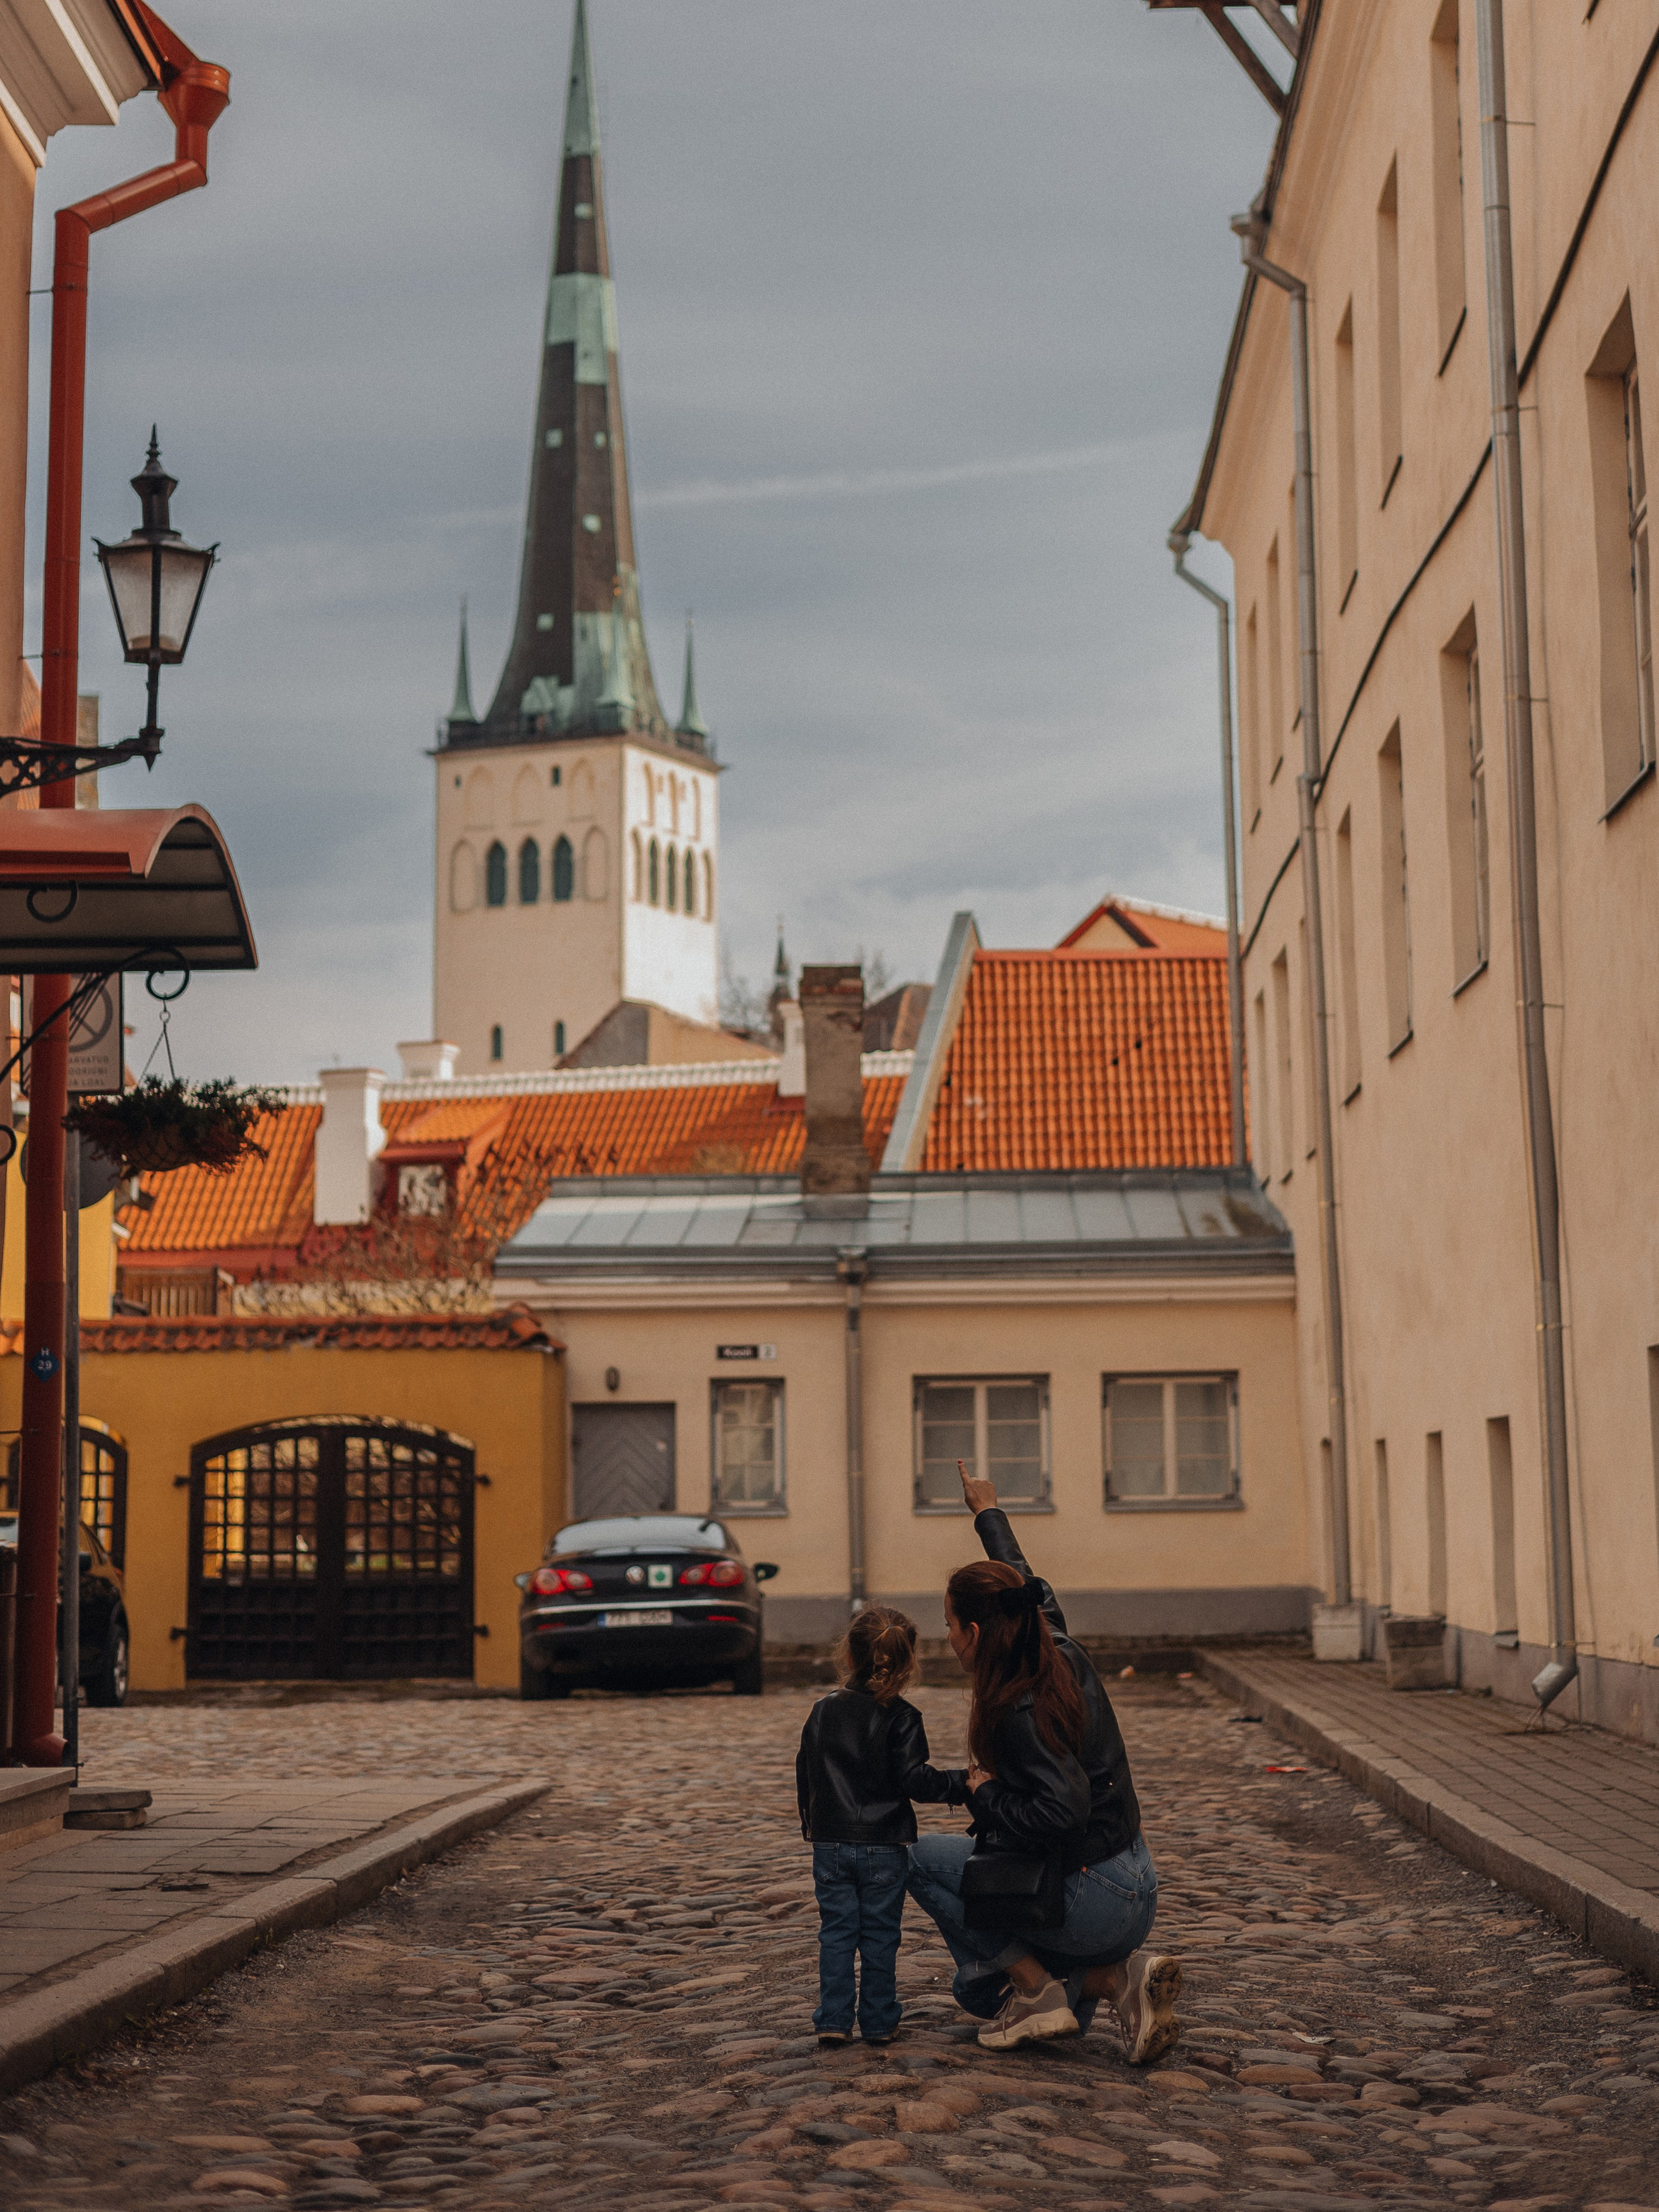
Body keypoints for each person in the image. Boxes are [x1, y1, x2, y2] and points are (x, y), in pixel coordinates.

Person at [906, 1463, 1182, 2058]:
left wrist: (985, 1794)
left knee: (917, 1865)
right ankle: (1115, 1981)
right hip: (1136, 1880)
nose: (947, 1638)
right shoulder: (1049, 1640)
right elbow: (1026, 1583)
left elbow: (1061, 1812)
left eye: (950, 1626)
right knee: (974, 1989)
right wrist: (987, 1512)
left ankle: (1043, 1985)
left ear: (976, 1631)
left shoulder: (1018, 1703)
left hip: (1095, 1896)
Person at [796, 1604, 955, 2045]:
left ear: (848, 1653)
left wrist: (814, 1823)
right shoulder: (904, 1717)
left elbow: (806, 1771)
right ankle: (880, 2020)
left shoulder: (823, 1710)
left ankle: (833, 2018)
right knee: (881, 1935)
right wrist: (963, 1783)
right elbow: (915, 1780)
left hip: (830, 1841)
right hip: (885, 1844)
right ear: (908, 1661)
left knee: (837, 1932)